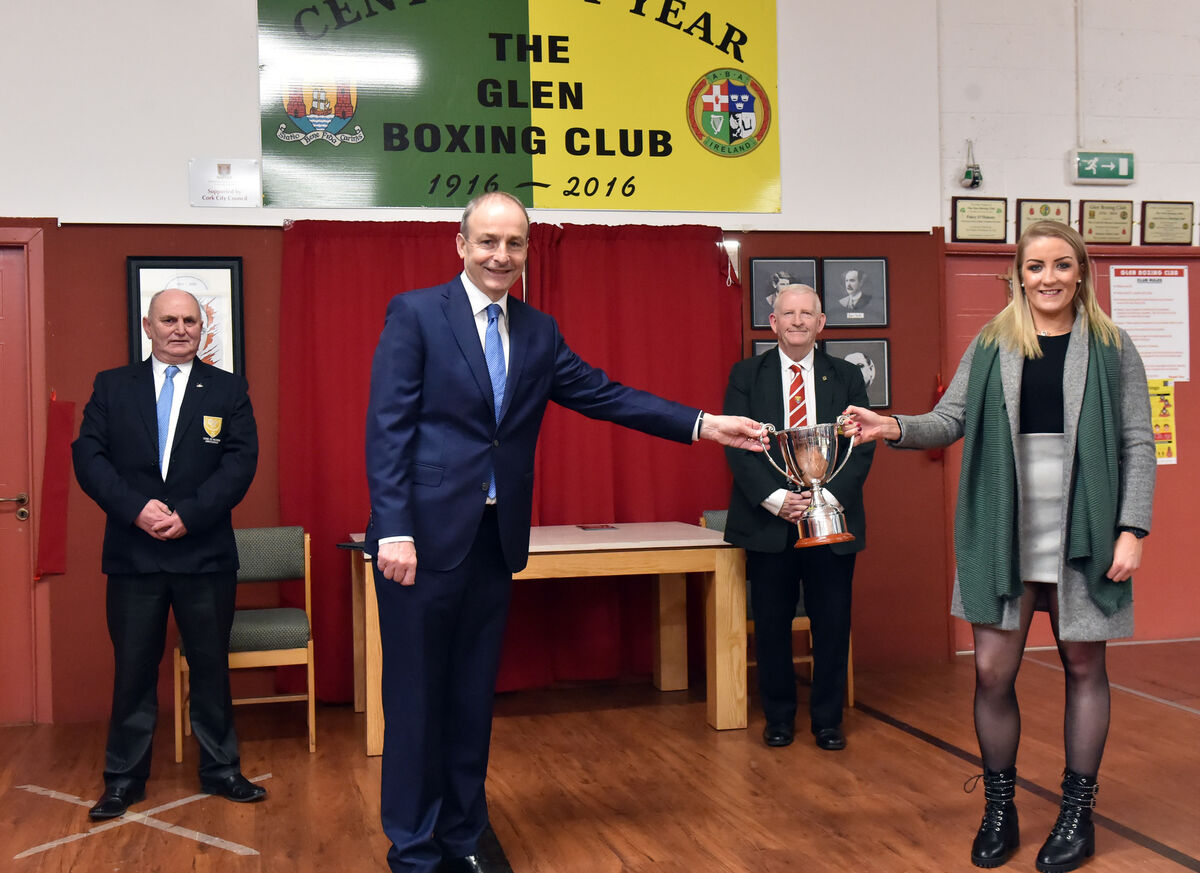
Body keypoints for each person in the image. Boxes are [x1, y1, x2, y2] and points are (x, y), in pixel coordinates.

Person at [364, 191, 765, 873]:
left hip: (492, 542)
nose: (501, 255)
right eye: (488, 241)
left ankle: (463, 832)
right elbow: (387, 429)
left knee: (468, 698)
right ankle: (412, 846)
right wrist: (393, 529)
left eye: (514, 243)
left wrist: (703, 423)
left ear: (525, 252)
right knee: (415, 700)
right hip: (421, 544)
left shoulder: (539, 331)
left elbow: (609, 396)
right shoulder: (416, 314)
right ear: (461, 245)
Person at [843, 221, 1154, 872]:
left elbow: (1137, 442)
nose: (1049, 278)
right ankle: (1001, 805)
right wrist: (890, 424)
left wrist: (1132, 527)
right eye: (1036, 266)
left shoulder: (1111, 345)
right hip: (1003, 529)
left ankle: (1077, 812)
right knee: (991, 671)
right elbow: (949, 419)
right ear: (1018, 274)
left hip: (1086, 532)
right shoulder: (991, 343)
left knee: (1084, 668)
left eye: (1062, 265)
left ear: (1081, 273)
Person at [72, 288, 263, 821]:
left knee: (210, 667)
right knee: (133, 670)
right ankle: (123, 779)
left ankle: (221, 769)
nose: (180, 329)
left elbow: (240, 463)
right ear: (147, 325)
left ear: (202, 328)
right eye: (168, 320)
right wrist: (136, 510)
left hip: (203, 555)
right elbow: (89, 457)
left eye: (189, 321)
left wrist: (190, 515)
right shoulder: (112, 387)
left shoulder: (228, 389)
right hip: (134, 556)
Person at [721, 285, 874, 751]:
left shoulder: (846, 376)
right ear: (773, 322)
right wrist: (775, 499)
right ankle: (779, 718)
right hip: (769, 522)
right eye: (789, 313)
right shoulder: (747, 374)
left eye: (807, 313)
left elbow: (859, 446)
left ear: (821, 323)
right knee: (771, 625)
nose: (798, 321)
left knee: (832, 623)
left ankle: (827, 721)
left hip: (831, 522)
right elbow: (738, 444)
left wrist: (820, 499)